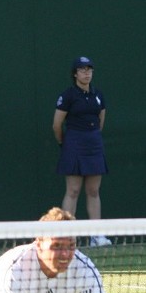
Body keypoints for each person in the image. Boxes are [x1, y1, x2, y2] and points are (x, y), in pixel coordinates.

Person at [53, 56, 112, 247]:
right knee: (73, 190)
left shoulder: (98, 95)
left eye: (89, 69)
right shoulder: (68, 96)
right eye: (82, 69)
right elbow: (57, 125)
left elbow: (101, 120)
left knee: (93, 190)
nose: (86, 73)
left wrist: (91, 136)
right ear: (75, 74)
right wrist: (66, 143)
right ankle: (67, 236)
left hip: (94, 143)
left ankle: (97, 236)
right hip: (73, 144)